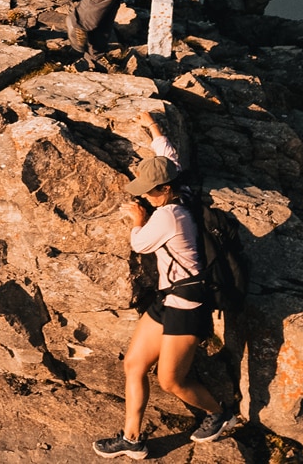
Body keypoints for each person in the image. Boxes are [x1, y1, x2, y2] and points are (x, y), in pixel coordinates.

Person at [94, 113, 246, 459]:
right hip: (169, 298)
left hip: (188, 304)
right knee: (134, 364)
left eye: (148, 192)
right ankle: (132, 440)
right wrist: (154, 129)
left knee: (171, 381)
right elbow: (170, 156)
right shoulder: (184, 189)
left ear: (163, 189)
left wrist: (138, 221)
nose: (144, 197)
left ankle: (219, 414)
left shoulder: (166, 216)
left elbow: (140, 244)